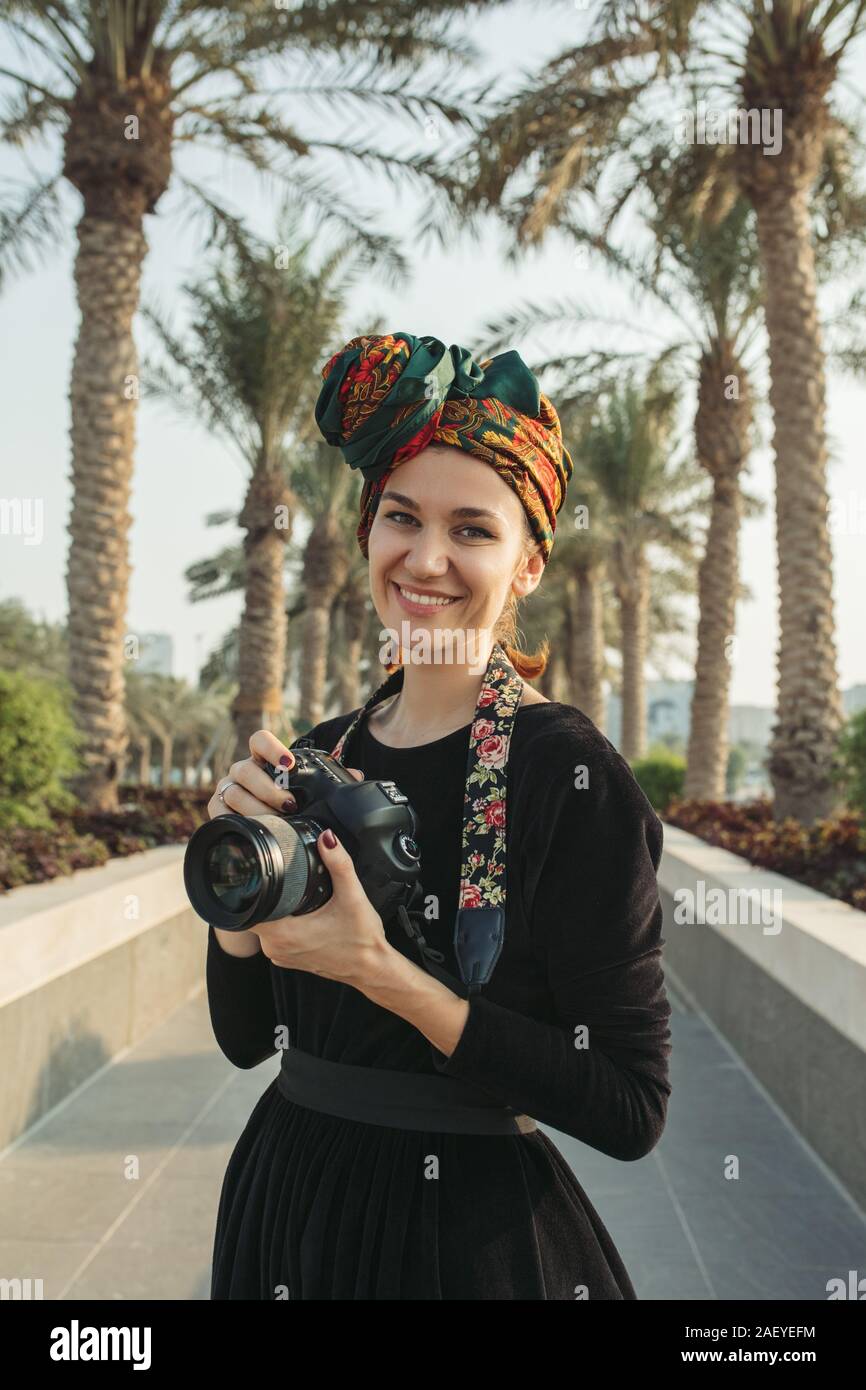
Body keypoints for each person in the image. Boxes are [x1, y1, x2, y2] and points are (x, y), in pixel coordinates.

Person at [205, 331, 672, 1300]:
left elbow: (629, 1107)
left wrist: (377, 970)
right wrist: (234, 898)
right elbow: (250, 1038)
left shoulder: (568, 774)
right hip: (285, 1205)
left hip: (458, 1243)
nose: (425, 559)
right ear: (368, 527)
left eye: (471, 529)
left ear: (529, 565)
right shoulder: (322, 749)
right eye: (401, 518)